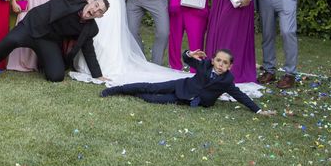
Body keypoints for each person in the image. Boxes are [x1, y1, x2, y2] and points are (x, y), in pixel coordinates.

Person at [100, 49, 276, 116]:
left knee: (152, 99)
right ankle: (118, 89)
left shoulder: (227, 80)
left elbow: (240, 95)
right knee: (151, 87)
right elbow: (188, 60)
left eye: (225, 63)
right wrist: (188, 54)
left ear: (230, 66)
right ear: (213, 60)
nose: (221, 65)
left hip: (186, 100)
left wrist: (258, 110)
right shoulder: (205, 65)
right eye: (219, 61)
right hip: (181, 85)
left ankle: (134, 93)